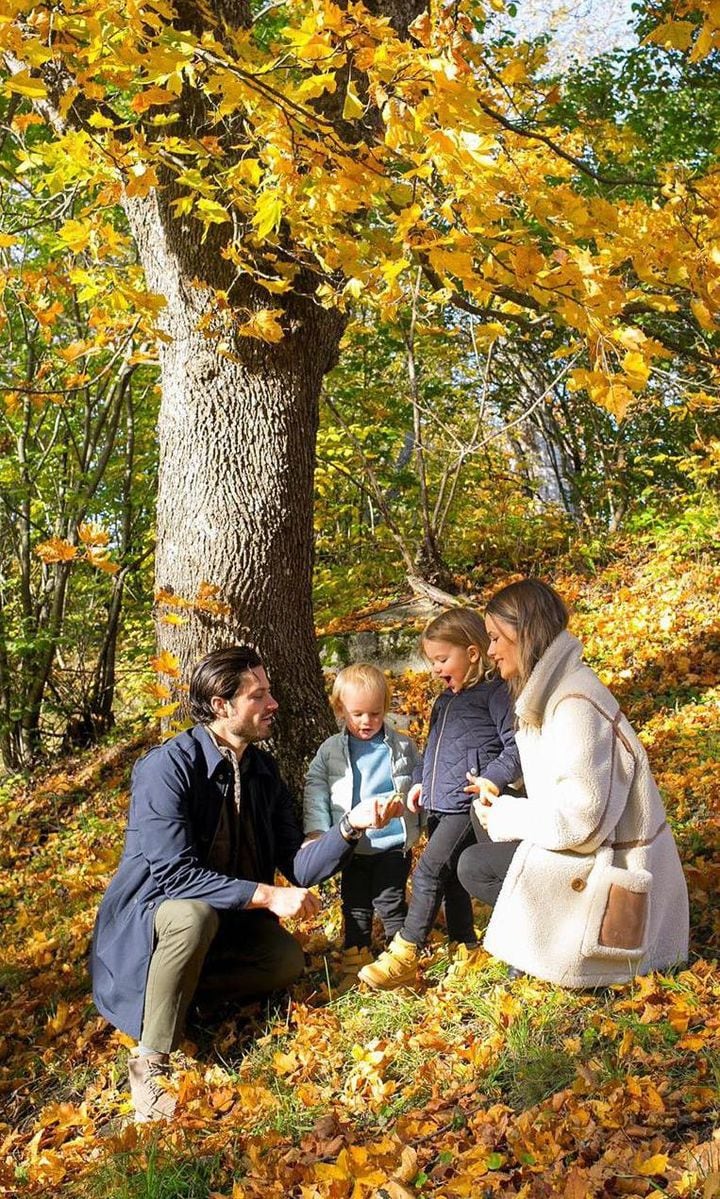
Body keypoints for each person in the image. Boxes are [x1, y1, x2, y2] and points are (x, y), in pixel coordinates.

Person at [90, 645, 402, 1123]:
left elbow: (298, 866)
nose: (273, 703)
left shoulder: (261, 770)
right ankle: (151, 1062)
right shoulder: (167, 768)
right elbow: (174, 876)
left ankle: (180, 996)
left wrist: (350, 827)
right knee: (192, 915)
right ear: (222, 706)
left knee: (284, 962)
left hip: (227, 920)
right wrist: (267, 895)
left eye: (270, 691)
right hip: (151, 921)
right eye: (259, 695)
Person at [457, 578, 689, 987]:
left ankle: (545, 950)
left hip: (612, 868)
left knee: (474, 865)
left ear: (523, 633)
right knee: (485, 819)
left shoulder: (574, 705)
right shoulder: (553, 694)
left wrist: (511, 814)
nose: (490, 651)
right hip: (593, 847)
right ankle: (533, 943)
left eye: (495, 638)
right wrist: (503, 803)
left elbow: (582, 823)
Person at [358, 609, 521, 991]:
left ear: (473, 653)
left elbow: (515, 748)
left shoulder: (495, 695)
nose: (434, 669)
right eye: (432, 661)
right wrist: (418, 782)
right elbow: (431, 751)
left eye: (442, 660)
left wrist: (489, 780)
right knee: (450, 880)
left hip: (468, 804)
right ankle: (465, 944)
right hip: (437, 803)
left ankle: (405, 952)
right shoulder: (444, 701)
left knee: (429, 871)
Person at [303, 664, 422, 990]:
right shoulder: (331, 750)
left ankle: (400, 959)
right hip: (352, 845)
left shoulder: (401, 746)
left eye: (375, 713)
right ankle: (356, 957)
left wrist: (418, 815)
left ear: (385, 708)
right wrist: (317, 831)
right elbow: (315, 787)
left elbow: (419, 781)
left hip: (392, 843)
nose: (367, 721)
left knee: (390, 899)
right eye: (357, 714)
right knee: (354, 902)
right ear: (341, 709)